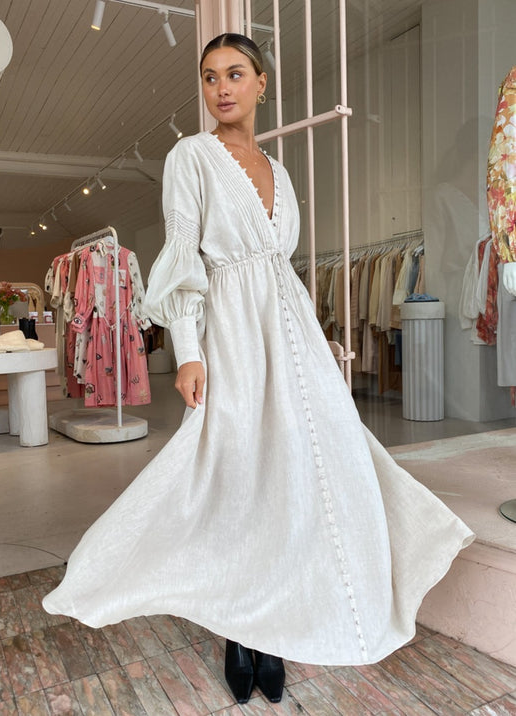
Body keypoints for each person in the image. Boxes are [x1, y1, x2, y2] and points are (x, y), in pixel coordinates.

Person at [43, 33, 474, 706]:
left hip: (291, 331)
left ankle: (276, 620)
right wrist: (189, 350)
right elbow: (185, 257)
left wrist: (311, 337)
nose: (221, 87)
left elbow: (281, 266)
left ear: (261, 83)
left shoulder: (280, 170)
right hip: (232, 333)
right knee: (238, 473)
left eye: (235, 73)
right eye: (210, 76)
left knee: (301, 468)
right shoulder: (191, 156)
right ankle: (238, 630)